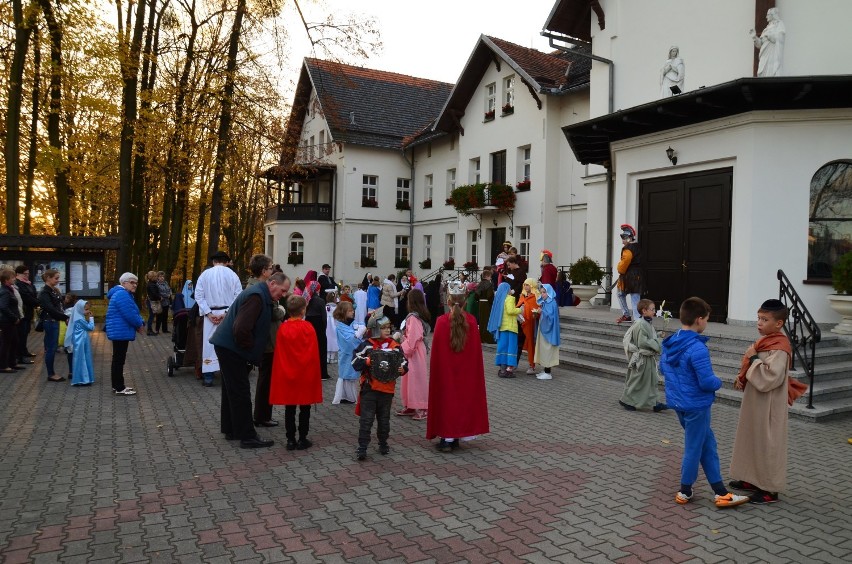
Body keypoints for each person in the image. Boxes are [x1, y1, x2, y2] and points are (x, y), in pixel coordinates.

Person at [659, 297, 749, 509]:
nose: (707, 323)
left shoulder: (670, 343)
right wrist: (720, 381)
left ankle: (721, 492)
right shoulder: (697, 348)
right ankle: (685, 490)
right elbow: (707, 382)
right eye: (707, 319)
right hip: (697, 406)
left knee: (708, 445)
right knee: (694, 448)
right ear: (699, 320)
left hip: (679, 405)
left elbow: (663, 371)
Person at [729, 299, 803, 505]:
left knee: (767, 443)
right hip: (756, 401)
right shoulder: (766, 342)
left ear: (778, 324)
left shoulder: (779, 347)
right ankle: (752, 479)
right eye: (758, 318)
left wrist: (753, 360)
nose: (759, 323)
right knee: (752, 438)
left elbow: (771, 377)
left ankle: (769, 489)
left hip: (769, 403)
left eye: (764, 319)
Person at [210, 270, 289, 449]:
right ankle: (247, 436)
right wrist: (248, 351)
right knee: (240, 391)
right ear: (273, 283)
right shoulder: (257, 296)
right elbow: (241, 329)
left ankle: (231, 429)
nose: (282, 295)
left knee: (231, 390)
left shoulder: (260, 294)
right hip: (231, 348)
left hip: (227, 346)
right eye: (282, 291)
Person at [427, 280, 489, 452]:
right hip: (466, 373)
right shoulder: (471, 320)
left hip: (446, 372)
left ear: (447, 301)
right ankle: (455, 436)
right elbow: (475, 353)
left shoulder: (441, 322)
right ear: (465, 300)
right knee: (460, 401)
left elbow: (437, 354)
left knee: (447, 401)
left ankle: (448, 438)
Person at [270, 294, 323, 450]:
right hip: (305, 373)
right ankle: (302, 438)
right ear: (303, 310)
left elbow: (280, 354)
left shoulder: (283, 328)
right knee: (305, 407)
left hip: (288, 373)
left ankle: (290, 440)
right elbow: (314, 352)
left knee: (290, 407)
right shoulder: (308, 327)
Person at [352, 312, 408, 460]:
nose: (388, 330)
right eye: (384, 328)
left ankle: (383, 443)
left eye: (389, 327)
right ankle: (362, 447)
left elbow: (403, 361)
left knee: (384, 421)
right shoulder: (367, 345)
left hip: (387, 391)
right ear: (375, 328)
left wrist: (403, 369)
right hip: (370, 390)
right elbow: (355, 362)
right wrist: (367, 361)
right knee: (366, 420)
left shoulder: (395, 346)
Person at [245, 255, 287, 428]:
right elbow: (271, 312)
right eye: (270, 268)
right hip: (266, 341)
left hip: (268, 340)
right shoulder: (258, 289)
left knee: (267, 379)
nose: (272, 271)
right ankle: (261, 416)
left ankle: (263, 415)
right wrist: (282, 310)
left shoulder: (257, 286)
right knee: (265, 380)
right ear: (263, 271)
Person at [194, 251, 242, 387]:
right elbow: (238, 296)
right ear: (226, 261)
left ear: (213, 261)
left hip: (210, 314)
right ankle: (227, 374)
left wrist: (208, 313)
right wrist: (226, 313)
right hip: (227, 313)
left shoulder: (205, 275)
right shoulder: (233, 275)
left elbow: (199, 296)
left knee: (209, 343)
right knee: (228, 342)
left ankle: (208, 376)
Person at [620, 299, 667, 411]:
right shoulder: (641, 324)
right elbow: (642, 342)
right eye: (652, 309)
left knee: (651, 380)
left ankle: (654, 403)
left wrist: (658, 334)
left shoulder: (646, 322)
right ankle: (627, 400)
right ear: (644, 311)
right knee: (637, 380)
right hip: (642, 359)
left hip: (648, 358)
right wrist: (658, 342)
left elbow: (649, 336)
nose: (654, 312)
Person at [105, 273, 145, 395]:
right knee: (119, 359)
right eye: (132, 282)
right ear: (124, 283)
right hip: (120, 331)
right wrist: (139, 324)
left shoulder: (120, 294)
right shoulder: (122, 294)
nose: (135, 285)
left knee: (117, 359)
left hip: (119, 330)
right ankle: (119, 387)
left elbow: (131, 311)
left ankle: (117, 385)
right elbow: (130, 314)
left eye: (136, 283)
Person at [399, 288, 431, 420]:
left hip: (414, 350)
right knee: (409, 378)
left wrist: (403, 347)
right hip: (415, 349)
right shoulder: (419, 315)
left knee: (417, 378)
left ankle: (423, 407)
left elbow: (414, 337)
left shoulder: (413, 317)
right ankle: (411, 405)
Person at [38, 269, 70, 382]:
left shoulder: (52, 291)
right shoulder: (44, 292)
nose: (58, 280)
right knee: (51, 348)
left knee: (52, 347)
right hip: (50, 322)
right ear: (48, 278)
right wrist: (65, 317)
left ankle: (52, 373)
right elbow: (50, 309)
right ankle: (51, 374)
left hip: (54, 321)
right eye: (56, 278)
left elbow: (59, 306)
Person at [332, 301, 366, 404]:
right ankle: (344, 396)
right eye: (350, 311)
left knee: (351, 376)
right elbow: (349, 341)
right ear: (343, 312)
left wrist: (361, 328)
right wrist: (358, 334)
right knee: (345, 375)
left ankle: (350, 396)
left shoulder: (351, 322)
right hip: (346, 354)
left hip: (351, 354)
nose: (353, 312)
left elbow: (359, 326)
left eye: (352, 310)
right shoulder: (340, 327)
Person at [487, 281, 522, 378]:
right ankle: (508, 370)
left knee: (502, 347)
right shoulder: (510, 298)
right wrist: (520, 309)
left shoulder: (499, 299)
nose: (511, 290)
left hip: (502, 327)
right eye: (509, 288)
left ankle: (502, 369)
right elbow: (511, 311)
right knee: (511, 348)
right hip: (510, 328)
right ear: (507, 290)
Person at [616, 224, 645, 323]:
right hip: (635, 275)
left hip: (629, 276)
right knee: (625, 294)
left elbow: (625, 261)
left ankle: (635, 319)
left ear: (629, 238)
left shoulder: (628, 249)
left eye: (624, 238)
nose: (622, 240)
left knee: (629, 296)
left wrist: (620, 269)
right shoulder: (637, 246)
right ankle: (629, 316)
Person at [534, 283, 561, 380]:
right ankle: (545, 370)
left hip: (549, 331)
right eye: (541, 292)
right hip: (544, 329)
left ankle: (548, 372)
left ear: (549, 292)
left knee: (548, 349)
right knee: (544, 350)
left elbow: (552, 318)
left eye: (544, 292)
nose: (542, 294)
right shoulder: (545, 302)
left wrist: (542, 312)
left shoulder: (552, 303)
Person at [304, 281, 329, 380]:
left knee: (310, 348)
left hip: (309, 322)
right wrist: (324, 329)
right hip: (318, 324)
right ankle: (322, 373)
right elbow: (324, 317)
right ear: (317, 289)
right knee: (321, 349)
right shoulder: (320, 301)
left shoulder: (306, 300)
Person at [750, 7, 785, 78]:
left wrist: (769, 36)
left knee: (771, 74)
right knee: (762, 73)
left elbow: (780, 38)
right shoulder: (766, 29)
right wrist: (754, 37)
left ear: (773, 15)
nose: (766, 17)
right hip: (764, 55)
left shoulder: (779, 24)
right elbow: (760, 44)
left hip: (773, 55)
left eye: (768, 15)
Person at [14, 265, 39, 364]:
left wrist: (35, 300)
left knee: (26, 333)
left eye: (28, 273)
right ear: (18, 274)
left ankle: (24, 351)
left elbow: (33, 293)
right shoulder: (19, 284)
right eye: (25, 274)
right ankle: (20, 356)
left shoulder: (28, 283)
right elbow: (26, 297)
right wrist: (37, 302)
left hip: (28, 312)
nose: (27, 275)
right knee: (21, 334)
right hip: (22, 313)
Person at [0, 268, 23, 373]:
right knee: (6, 343)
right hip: (7, 322)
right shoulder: (5, 291)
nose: (14, 279)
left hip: (11, 321)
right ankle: (3, 366)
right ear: (6, 280)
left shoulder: (9, 289)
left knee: (14, 342)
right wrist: (14, 317)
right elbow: (3, 307)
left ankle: (12, 363)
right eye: (12, 277)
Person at [68, 300, 95, 386]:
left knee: (81, 358)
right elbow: (90, 327)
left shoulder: (78, 317)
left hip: (81, 340)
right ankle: (83, 379)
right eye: (86, 309)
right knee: (82, 358)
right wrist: (91, 318)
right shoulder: (80, 319)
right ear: (80, 309)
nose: (88, 311)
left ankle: (82, 377)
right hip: (81, 340)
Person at [517, 278, 540, 375]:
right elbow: (517, 306)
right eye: (525, 285)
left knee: (530, 344)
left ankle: (532, 365)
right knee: (518, 344)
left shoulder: (536, 297)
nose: (526, 287)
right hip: (521, 323)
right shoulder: (522, 296)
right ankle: (514, 364)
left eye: (528, 285)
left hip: (530, 323)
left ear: (532, 286)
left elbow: (537, 310)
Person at [145, 271, 162, 336]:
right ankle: (149, 330)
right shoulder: (151, 284)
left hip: (152, 301)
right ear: (152, 277)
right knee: (151, 316)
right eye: (155, 276)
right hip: (152, 302)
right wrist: (160, 297)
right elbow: (154, 294)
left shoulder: (152, 283)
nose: (156, 277)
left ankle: (150, 330)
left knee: (152, 315)